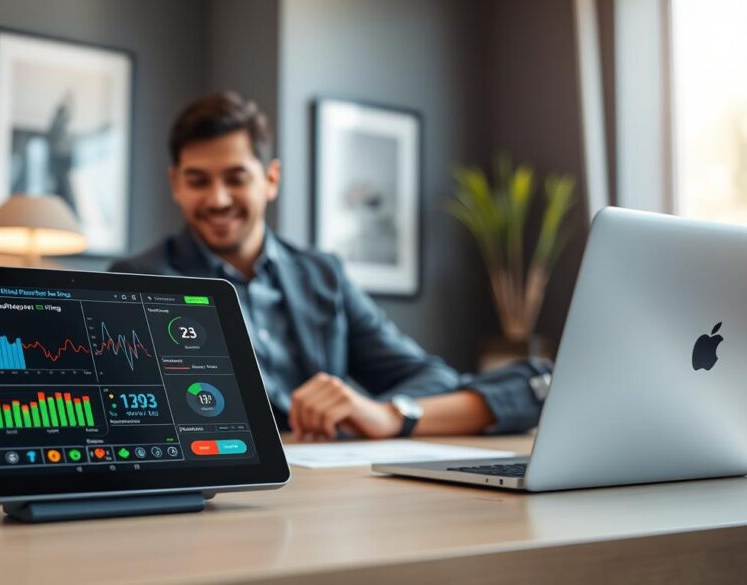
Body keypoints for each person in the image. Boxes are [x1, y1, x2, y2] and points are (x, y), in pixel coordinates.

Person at [110, 92, 552, 441]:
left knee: (537, 379)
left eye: (236, 177)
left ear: (271, 180)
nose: (218, 199)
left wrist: (383, 413)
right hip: (225, 490)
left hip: (336, 490)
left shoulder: (321, 275)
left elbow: (430, 375)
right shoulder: (136, 282)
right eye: (198, 181)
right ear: (175, 185)